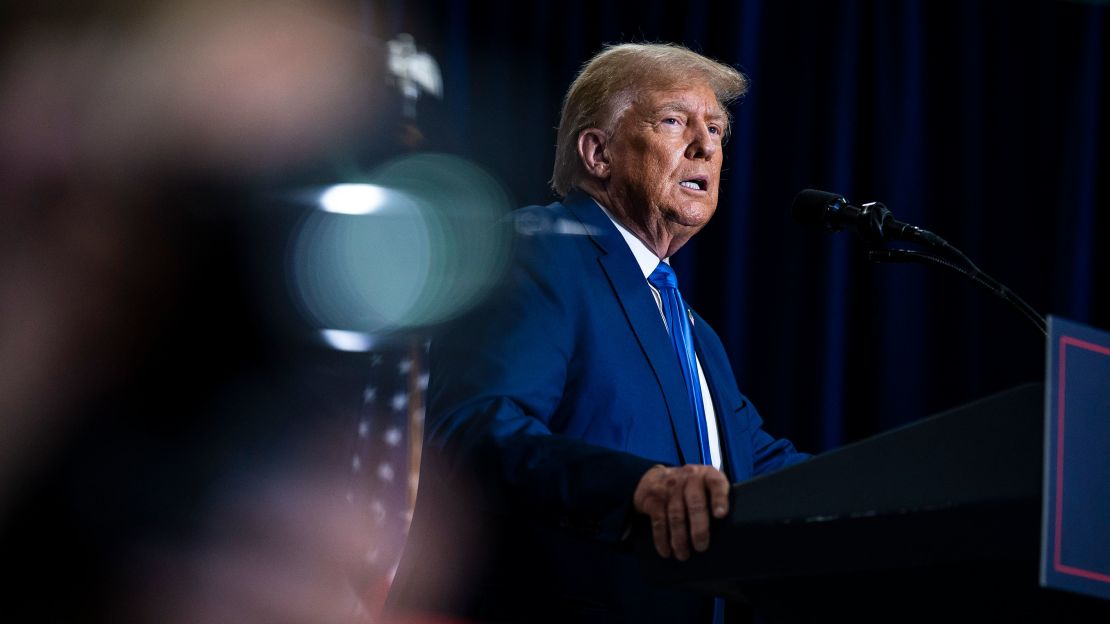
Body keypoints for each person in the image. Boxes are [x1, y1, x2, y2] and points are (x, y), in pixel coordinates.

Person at [387, 43, 809, 623]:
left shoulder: (692, 331)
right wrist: (634, 489)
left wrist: (897, 489)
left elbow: (758, 469)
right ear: (598, 152)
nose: (705, 145)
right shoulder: (537, 250)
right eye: (673, 121)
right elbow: (477, 431)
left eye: (715, 129)